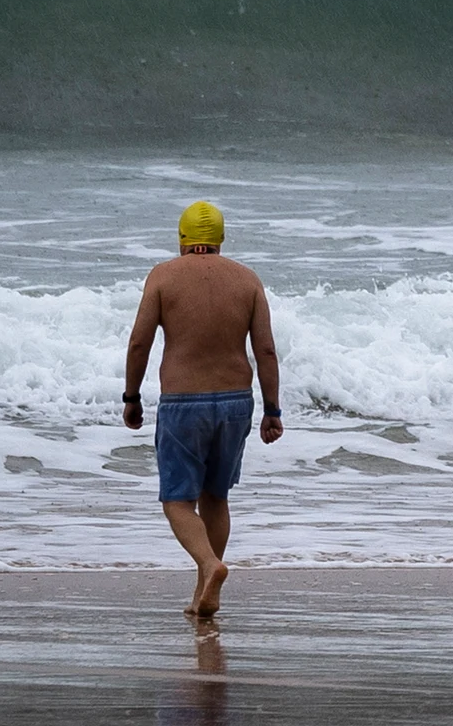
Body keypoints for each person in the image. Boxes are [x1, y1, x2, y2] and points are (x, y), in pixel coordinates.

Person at [123, 200, 284, 617]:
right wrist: (273, 410)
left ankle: (209, 565)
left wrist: (132, 396)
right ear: (220, 240)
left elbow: (139, 343)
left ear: (182, 239)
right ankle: (203, 592)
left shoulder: (163, 276)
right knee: (216, 496)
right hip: (235, 402)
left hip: (183, 403)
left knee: (178, 499)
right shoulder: (247, 279)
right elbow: (264, 350)